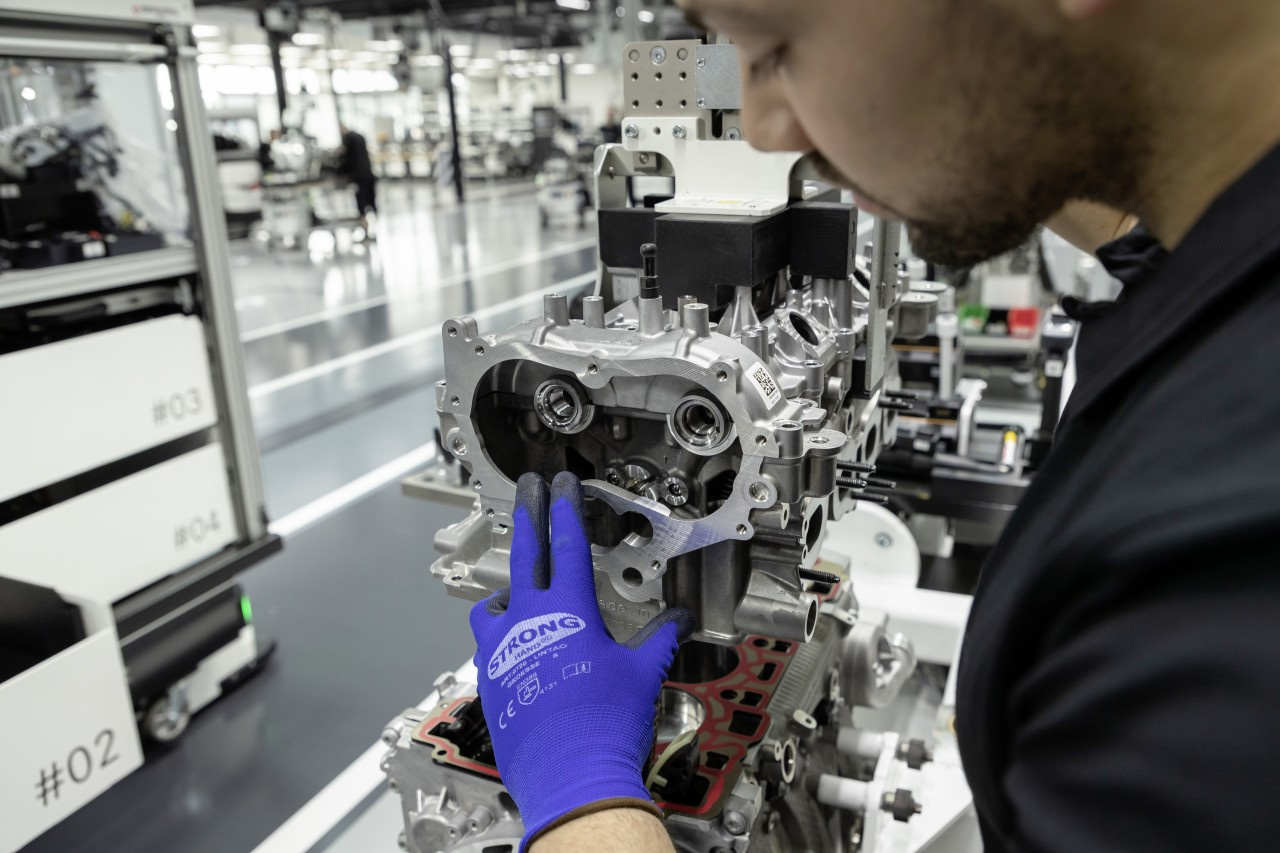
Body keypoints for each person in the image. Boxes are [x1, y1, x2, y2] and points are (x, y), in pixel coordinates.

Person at [468, 1, 1280, 851]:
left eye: (777, 47)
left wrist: (580, 790)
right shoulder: (1189, 284)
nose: (762, 126)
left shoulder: (1218, 581)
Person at [337, 123, 377, 229]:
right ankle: (373, 219)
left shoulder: (348, 138)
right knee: (370, 196)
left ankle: (364, 221)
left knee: (361, 197)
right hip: (368, 171)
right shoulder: (360, 136)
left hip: (358, 174)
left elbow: (343, 152)